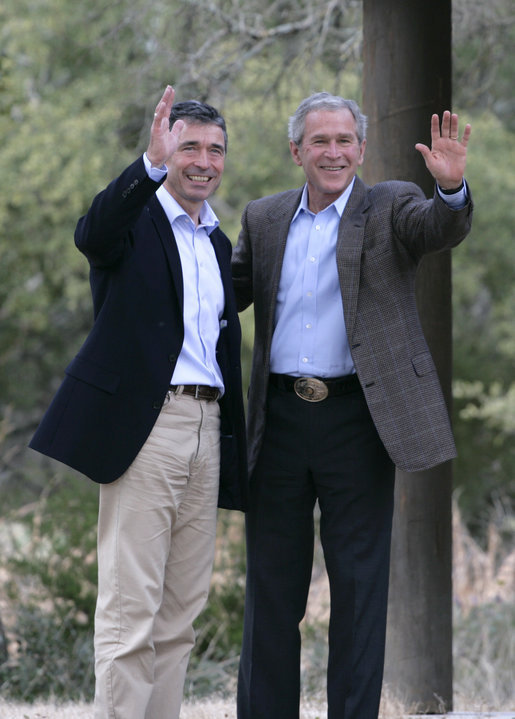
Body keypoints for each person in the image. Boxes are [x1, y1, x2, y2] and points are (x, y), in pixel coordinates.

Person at [231, 92, 472, 719]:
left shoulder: (390, 205)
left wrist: (450, 190)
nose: (333, 152)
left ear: (361, 149)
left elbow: (437, 227)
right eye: (319, 141)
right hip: (278, 423)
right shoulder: (262, 217)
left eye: (344, 141)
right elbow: (219, 297)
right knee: (271, 594)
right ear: (296, 151)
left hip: (358, 424)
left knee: (361, 593)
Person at [30, 85, 248, 719]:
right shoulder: (135, 221)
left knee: (181, 613)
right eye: (189, 148)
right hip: (149, 428)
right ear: (166, 151)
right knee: (131, 612)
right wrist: (147, 169)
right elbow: (93, 233)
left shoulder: (217, 243)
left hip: (208, 427)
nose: (204, 160)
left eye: (216, 149)